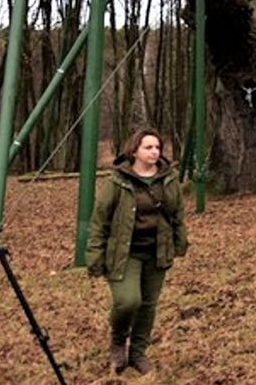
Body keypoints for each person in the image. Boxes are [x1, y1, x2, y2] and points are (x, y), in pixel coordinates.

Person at [87, 128, 189, 375]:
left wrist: (180, 241)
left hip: (157, 251)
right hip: (124, 253)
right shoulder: (117, 181)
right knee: (128, 301)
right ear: (134, 151)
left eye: (157, 148)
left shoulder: (169, 179)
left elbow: (177, 214)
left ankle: (138, 354)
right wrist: (94, 255)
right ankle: (118, 341)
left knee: (148, 305)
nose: (154, 152)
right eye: (148, 147)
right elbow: (100, 220)